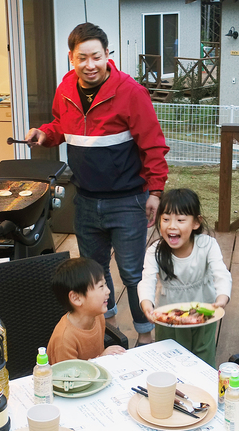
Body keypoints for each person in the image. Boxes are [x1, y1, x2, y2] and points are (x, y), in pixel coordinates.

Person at [25, 22, 169, 347]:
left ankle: (146, 337)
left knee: (133, 274)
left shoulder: (130, 92)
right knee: (95, 273)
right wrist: (44, 134)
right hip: (86, 200)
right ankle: (111, 329)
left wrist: (156, 192)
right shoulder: (64, 90)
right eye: (82, 58)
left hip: (128, 201)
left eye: (96, 57)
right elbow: (61, 127)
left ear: (107, 54)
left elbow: (154, 146)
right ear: (71, 58)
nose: (90, 65)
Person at [137, 189, 231, 365]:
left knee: (204, 355)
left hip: (204, 311)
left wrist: (222, 297)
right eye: (165, 219)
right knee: (169, 358)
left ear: (196, 222)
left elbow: (221, 272)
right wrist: (146, 303)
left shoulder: (207, 245)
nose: (172, 226)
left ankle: (203, 387)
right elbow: (147, 279)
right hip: (169, 315)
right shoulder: (155, 251)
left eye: (180, 220)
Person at [47, 257, 127, 364]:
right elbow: (68, 377)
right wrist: (101, 359)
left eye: (106, 284)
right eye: (101, 286)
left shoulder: (97, 316)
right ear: (76, 298)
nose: (108, 291)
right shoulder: (64, 339)